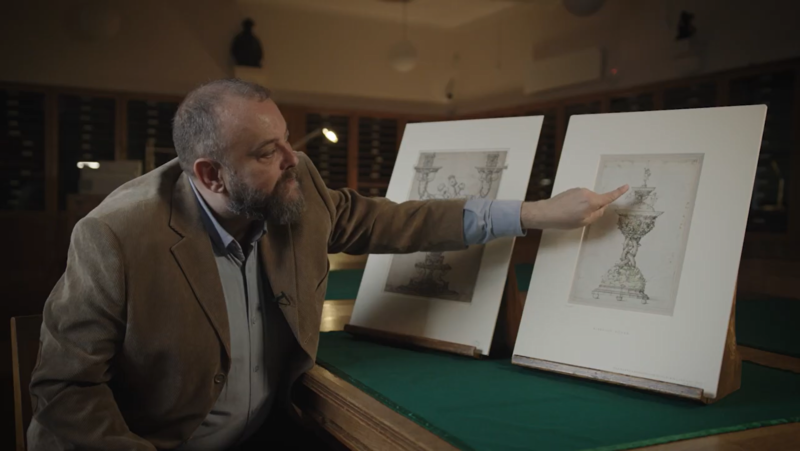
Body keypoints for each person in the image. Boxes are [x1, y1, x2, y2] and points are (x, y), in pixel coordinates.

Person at [27, 79, 628, 450]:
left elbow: (397, 222)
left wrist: (530, 213)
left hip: (270, 432)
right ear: (210, 175)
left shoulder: (296, 184)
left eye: (288, 139)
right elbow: (64, 387)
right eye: (269, 152)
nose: (295, 160)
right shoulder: (113, 236)